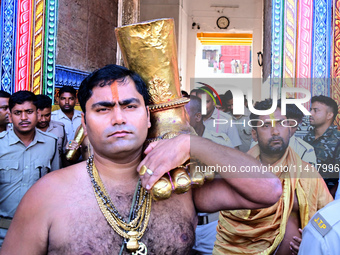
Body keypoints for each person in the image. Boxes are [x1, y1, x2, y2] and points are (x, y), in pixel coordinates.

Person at [0, 65, 282, 254]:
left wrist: (191, 143)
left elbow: (268, 189)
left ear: (148, 117)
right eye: (103, 109)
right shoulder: (47, 195)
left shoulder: (180, 185)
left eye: (130, 105)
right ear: (84, 124)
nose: (119, 117)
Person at [213, 99, 333, 255]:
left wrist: (313, 240)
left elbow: (328, 219)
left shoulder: (307, 173)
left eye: (281, 124)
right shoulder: (238, 174)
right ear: (254, 134)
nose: (276, 131)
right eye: (266, 125)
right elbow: (229, 231)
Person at [0, 91, 59, 246]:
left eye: (29, 112)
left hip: (38, 231)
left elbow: (56, 187)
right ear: (10, 115)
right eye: (18, 113)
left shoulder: (50, 143)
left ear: (38, 113)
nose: (24, 118)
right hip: (2, 231)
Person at [185, 95, 232, 255]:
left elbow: (233, 178)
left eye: (183, 115)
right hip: (184, 225)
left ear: (197, 116)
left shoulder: (220, 142)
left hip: (213, 227)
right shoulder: (173, 142)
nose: (177, 119)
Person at [303, 95, 340, 197]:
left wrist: (329, 198)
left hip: (327, 196)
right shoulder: (306, 138)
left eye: (316, 110)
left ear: (329, 115)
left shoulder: (337, 140)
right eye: (311, 110)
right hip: (304, 193)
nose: (310, 113)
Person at [36, 94, 68, 167]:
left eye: (47, 115)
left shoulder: (60, 128)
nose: (43, 120)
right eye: (40, 116)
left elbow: (64, 155)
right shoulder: (28, 131)